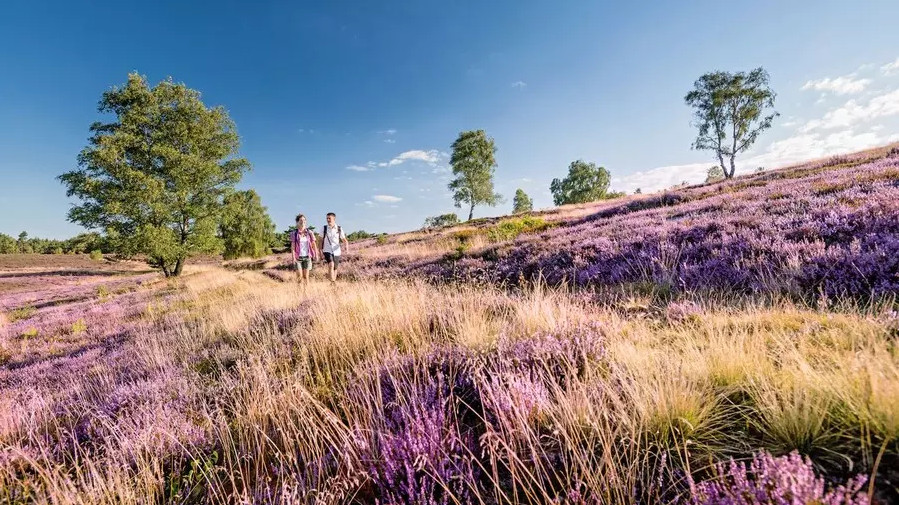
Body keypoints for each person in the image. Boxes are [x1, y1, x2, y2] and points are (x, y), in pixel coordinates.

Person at [290, 214, 318, 285]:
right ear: (297, 222)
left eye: (304, 220)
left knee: (306, 277)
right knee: (299, 276)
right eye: (301, 220)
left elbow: (314, 244)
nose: (303, 221)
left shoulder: (310, 232)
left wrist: (316, 254)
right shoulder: (294, 233)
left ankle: (306, 293)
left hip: (307, 257)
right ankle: (299, 293)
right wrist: (293, 258)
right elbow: (293, 246)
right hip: (298, 258)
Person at [320, 212, 348, 283]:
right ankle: (332, 281)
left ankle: (333, 283)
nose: (328, 220)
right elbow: (320, 240)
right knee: (331, 265)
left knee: (335, 268)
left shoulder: (339, 229)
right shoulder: (324, 228)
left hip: (337, 251)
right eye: (327, 218)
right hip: (327, 250)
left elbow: (344, 240)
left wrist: (346, 247)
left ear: (334, 219)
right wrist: (320, 250)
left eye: (329, 218)